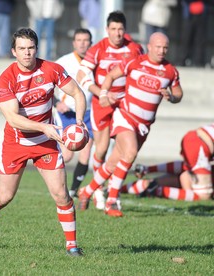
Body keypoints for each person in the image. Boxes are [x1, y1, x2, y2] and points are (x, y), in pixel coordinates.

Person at [0, 27, 87, 256]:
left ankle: (72, 247)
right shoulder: (6, 79)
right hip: (16, 143)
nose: (27, 53)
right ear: (13, 52)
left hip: (45, 143)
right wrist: (44, 127)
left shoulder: (51, 69)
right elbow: (13, 118)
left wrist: (79, 122)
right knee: (5, 196)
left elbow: (78, 93)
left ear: (37, 48)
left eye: (31, 48)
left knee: (61, 194)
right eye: (22, 49)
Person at [78, 32, 183, 217]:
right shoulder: (134, 61)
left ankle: (87, 191)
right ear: (149, 46)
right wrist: (103, 94)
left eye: (165, 47)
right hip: (125, 116)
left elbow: (178, 94)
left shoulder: (170, 71)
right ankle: (112, 201)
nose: (161, 50)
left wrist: (172, 97)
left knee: (113, 163)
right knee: (130, 152)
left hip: (144, 125)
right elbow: (110, 76)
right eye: (158, 46)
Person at [75, 11, 143, 199]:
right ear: (107, 30)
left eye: (120, 29)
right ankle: (99, 189)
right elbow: (81, 75)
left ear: (125, 30)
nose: (117, 33)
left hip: (125, 105)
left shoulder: (135, 49)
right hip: (102, 104)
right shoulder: (98, 48)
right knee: (102, 148)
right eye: (113, 29)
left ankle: (111, 187)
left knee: (125, 149)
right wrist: (101, 93)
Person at [53, 28, 104, 209]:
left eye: (86, 40)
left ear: (91, 43)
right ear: (74, 43)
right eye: (79, 40)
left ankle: (73, 190)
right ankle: (55, 180)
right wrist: (57, 102)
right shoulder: (64, 62)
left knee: (87, 150)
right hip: (67, 113)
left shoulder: (96, 62)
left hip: (88, 112)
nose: (82, 43)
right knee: (66, 155)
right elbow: (48, 85)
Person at [124, 123, 214, 201]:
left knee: (186, 171)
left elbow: (185, 174)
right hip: (201, 145)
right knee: (204, 196)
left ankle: (147, 171)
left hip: (193, 136)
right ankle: (157, 190)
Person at [178, 0, 209, 67]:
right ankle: (182, 60)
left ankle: (198, 61)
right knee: (186, 38)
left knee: (200, 39)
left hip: (201, 14)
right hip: (188, 15)